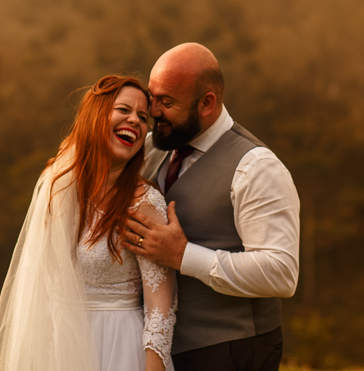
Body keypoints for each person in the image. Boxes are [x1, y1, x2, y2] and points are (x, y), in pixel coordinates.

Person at [124, 43, 300, 371]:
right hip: (156, 352)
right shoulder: (153, 148)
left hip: (230, 352)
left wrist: (182, 255)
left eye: (167, 102)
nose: (153, 111)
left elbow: (281, 273)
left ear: (207, 103)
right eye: (152, 97)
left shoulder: (257, 167)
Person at [0, 74, 177, 371]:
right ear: (96, 115)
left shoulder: (144, 202)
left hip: (119, 347)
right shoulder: (57, 186)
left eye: (142, 117)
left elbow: (160, 305)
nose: (135, 121)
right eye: (123, 110)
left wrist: (154, 366)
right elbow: (36, 287)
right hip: (57, 348)